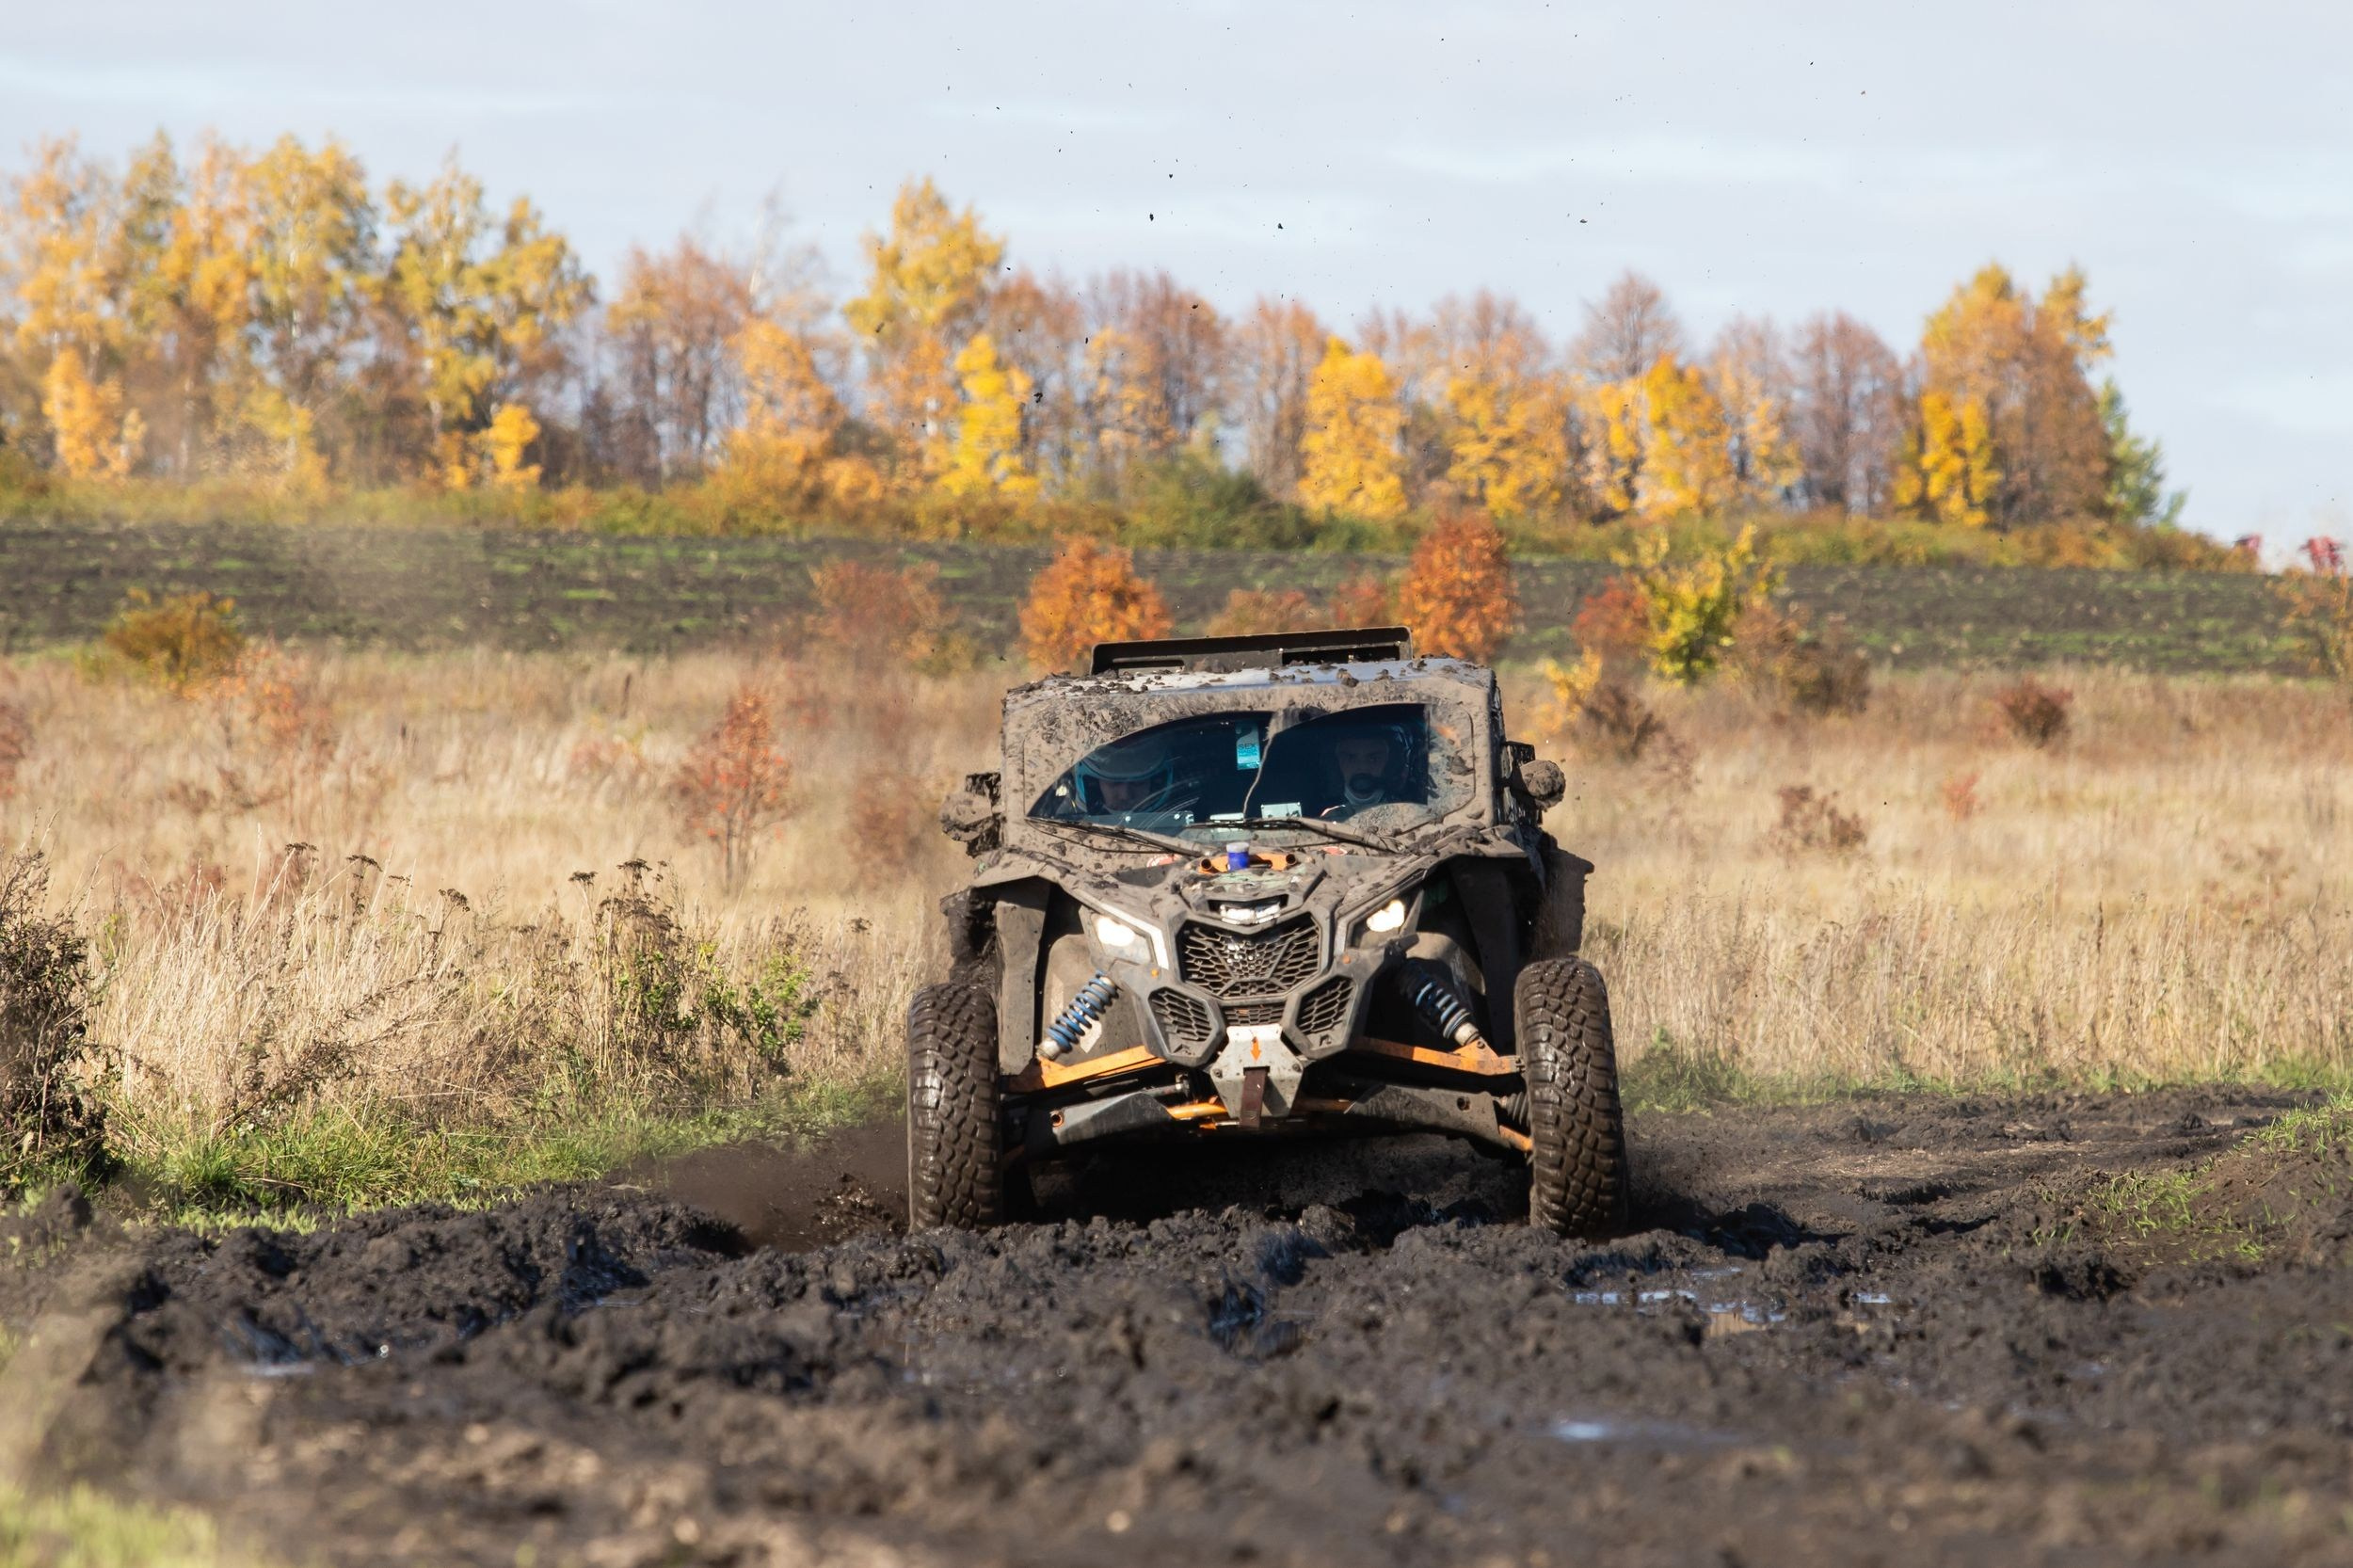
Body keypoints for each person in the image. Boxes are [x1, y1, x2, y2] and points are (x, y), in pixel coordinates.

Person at [1073, 731, 1185, 819]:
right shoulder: (1067, 824)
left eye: (1138, 783)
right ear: (1094, 785)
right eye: (1114, 783)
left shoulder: (1186, 815)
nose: (1125, 795)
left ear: (1155, 783)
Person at [1323, 722, 1411, 818]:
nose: (1362, 767)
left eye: (1373, 758)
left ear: (1390, 764)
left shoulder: (1410, 813)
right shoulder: (1321, 817)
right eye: (1351, 758)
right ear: (1336, 764)